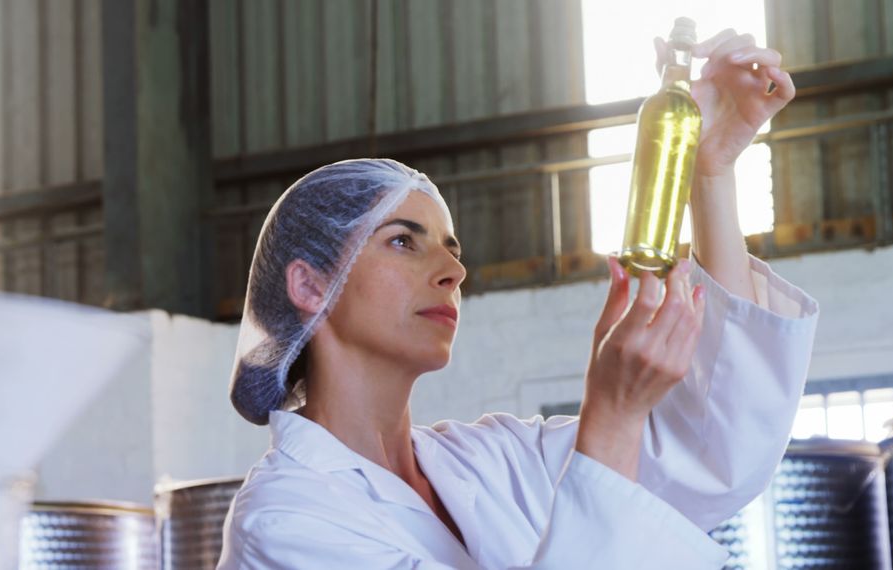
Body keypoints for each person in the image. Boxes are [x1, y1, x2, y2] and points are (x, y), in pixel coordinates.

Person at [217, 29, 819, 569]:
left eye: (452, 248)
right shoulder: (285, 519)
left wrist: (709, 172)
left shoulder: (491, 460)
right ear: (309, 285)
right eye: (403, 241)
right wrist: (610, 415)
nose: (453, 270)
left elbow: (713, 451)